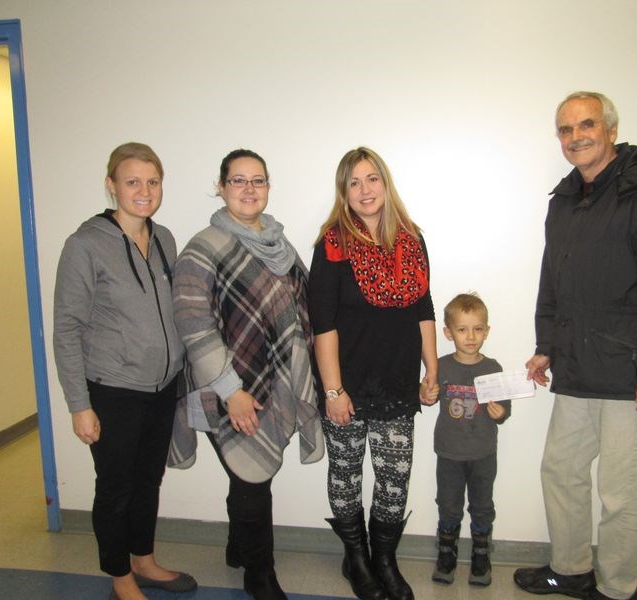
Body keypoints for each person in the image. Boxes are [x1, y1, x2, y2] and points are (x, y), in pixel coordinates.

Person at [513, 91, 637, 600]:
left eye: (586, 125)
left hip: (632, 373)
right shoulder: (565, 201)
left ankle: (619, 589)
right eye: (565, 129)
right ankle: (571, 569)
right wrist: (547, 344)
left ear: (611, 131)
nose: (575, 137)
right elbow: (553, 281)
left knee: (620, 494)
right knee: (561, 472)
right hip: (575, 368)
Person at [171, 149, 324, 600]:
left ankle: (239, 547)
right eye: (238, 181)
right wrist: (231, 391)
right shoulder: (203, 247)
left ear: (269, 186)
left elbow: (298, 313)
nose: (249, 189)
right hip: (228, 387)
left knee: (249, 478)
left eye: (257, 180)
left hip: (274, 382)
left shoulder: (281, 243)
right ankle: (260, 573)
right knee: (252, 477)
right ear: (220, 187)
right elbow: (193, 323)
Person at [53, 142, 196, 600]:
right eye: (133, 181)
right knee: (115, 487)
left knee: (147, 480)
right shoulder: (84, 246)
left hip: (162, 387)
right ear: (111, 184)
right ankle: (120, 576)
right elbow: (67, 329)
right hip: (112, 389)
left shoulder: (165, 239)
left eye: (152, 182)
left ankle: (144, 559)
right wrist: (80, 405)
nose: (144, 191)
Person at [308, 146, 438, 600]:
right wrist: (332, 390)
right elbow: (321, 324)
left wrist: (432, 370)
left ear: (385, 183)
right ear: (344, 193)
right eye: (354, 182)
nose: (365, 190)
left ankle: (385, 558)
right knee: (346, 473)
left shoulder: (412, 239)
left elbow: (424, 308)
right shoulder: (332, 246)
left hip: (398, 382)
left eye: (372, 179)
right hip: (346, 384)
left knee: (394, 479)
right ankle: (357, 559)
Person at [426, 292, 511, 587]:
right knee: (448, 504)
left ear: (487, 331)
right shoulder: (441, 365)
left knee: (482, 505)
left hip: (483, 452)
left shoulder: (493, 368)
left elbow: (503, 408)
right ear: (449, 333)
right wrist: (425, 393)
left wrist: (501, 412)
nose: (470, 337)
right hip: (449, 452)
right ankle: (446, 552)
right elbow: (425, 393)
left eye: (477, 329)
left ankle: (480, 552)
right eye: (462, 330)